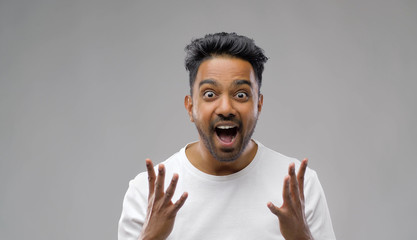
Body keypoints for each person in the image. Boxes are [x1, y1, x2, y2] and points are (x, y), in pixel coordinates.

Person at [118, 32, 336, 240]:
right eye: (210, 94)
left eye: (241, 94)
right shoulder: (148, 193)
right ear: (190, 107)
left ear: (258, 105)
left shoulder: (300, 187)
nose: (225, 108)